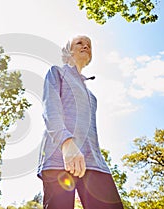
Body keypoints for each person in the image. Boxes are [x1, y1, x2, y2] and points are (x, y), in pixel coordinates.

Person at [37, 35, 124, 209]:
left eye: (89, 45)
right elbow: (51, 109)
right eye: (80, 43)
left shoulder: (92, 96)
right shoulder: (57, 72)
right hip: (59, 158)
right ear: (68, 50)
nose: (85, 46)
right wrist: (66, 143)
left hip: (94, 163)